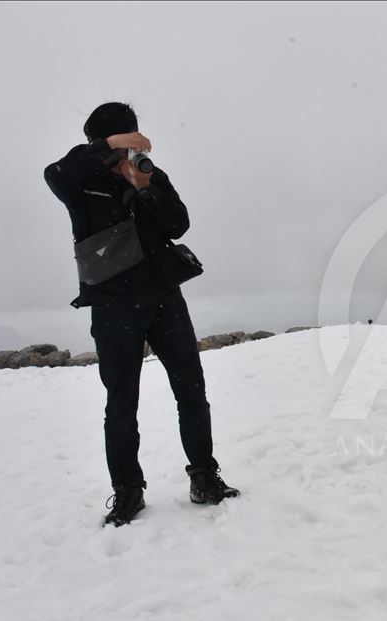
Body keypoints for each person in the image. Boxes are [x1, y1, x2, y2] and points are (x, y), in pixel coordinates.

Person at [44, 102, 239, 527]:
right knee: (122, 403)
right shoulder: (80, 178)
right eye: (119, 139)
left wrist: (145, 187)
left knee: (192, 392)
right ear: (101, 140)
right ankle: (128, 492)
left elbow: (179, 225)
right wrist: (107, 150)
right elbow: (54, 175)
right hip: (114, 305)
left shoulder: (149, 173)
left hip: (165, 299)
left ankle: (204, 477)